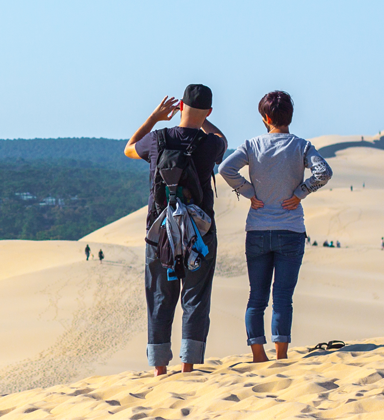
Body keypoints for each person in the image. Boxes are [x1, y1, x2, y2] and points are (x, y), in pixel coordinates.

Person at [219, 91, 332, 363]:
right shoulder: (301, 146)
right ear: (289, 117)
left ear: (265, 118)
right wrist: (300, 192)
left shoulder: (252, 145)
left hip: (257, 229)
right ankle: (281, 356)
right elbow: (324, 172)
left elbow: (225, 169)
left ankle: (258, 356)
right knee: (283, 296)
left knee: (257, 297)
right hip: (290, 230)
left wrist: (248, 192)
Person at [125, 84, 227, 376]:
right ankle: (188, 365)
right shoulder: (210, 144)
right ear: (208, 111)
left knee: (159, 295)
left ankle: (159, 368)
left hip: (160, 232)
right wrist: (202, 120)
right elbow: (222, 138)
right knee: (196, 296)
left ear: (180, 106)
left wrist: (156, 118)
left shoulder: (157, 140)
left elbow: (129, 147)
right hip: (200, 232)